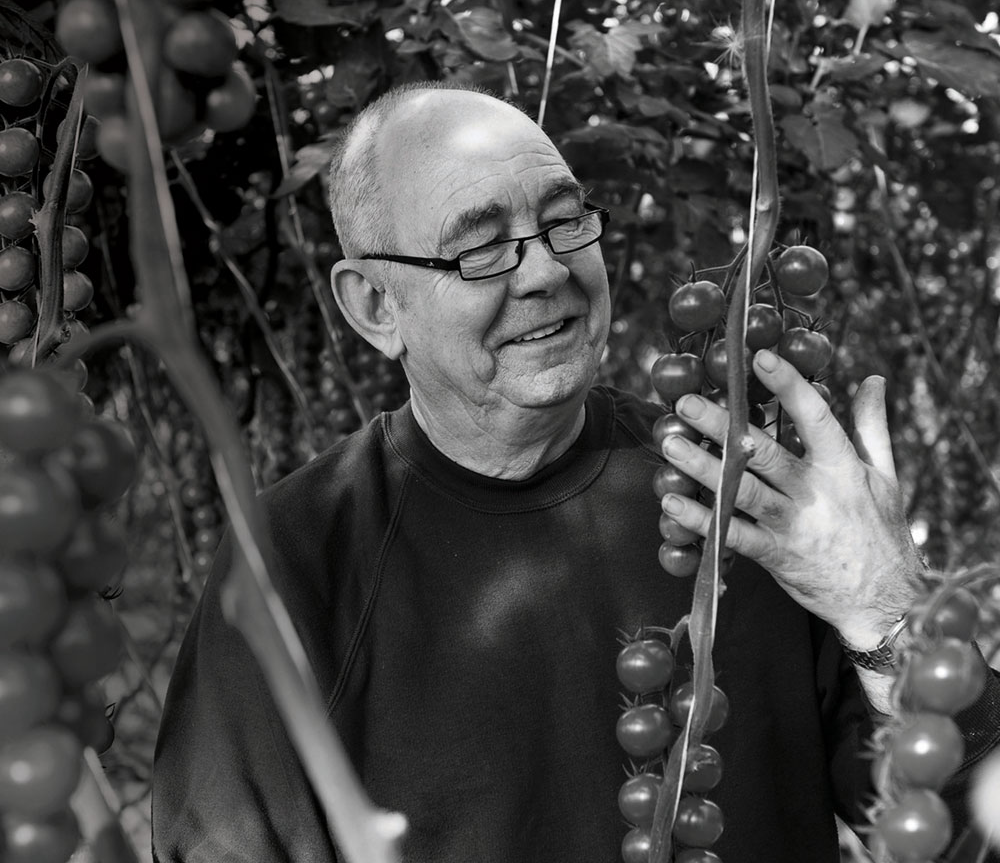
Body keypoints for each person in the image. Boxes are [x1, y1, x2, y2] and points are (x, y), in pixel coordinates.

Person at [151, 83, 1000, 863]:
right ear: (376, 306)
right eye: (480, 250)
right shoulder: (295, 562)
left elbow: (969, 834)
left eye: (564, 222)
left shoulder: (740, 499)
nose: (548, 272)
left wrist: (882, 606)